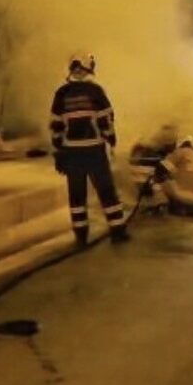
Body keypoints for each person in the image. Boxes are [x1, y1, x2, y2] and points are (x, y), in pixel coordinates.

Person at [50, 51, 128, 248]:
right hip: (94, 151)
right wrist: (111, 138)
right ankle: (117, 231)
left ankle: (81, 237)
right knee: (106, 192)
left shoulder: (61, 94)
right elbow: (106, 119)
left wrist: (59, 150)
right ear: (89, 67)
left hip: (71, 153)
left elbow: (56, 124)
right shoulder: (95, 92)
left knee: (77, 196)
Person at [154, 135, 193, 220]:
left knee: (156, 184)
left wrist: (159, 176)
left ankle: (161, 208)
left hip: (183, 195)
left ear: (179, 143)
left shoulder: (179, 152)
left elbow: (161, 168)